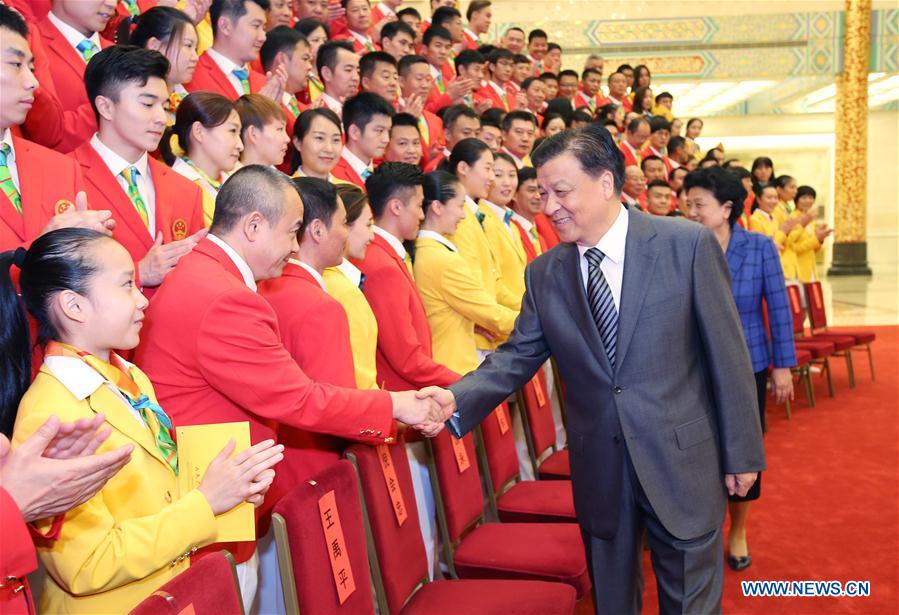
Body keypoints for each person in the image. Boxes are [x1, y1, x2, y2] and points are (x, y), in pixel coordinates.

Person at [427, 123, 764, 614]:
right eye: (541, 193)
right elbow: (516, 356)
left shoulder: (684, 245)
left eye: (561, 191)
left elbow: (728, 356)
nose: (549, 206)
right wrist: (455, 398)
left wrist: (742, 453)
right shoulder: (546, 272)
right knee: (612, 602)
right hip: (602, 470)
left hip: (682, 462)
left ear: (606, 182)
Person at [135, 165, 445, 598]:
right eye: (291, 231)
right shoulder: (225, 296)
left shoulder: (206, 274)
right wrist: (396, 406)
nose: (294, 246)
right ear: (254, 225)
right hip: (212, 496)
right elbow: (299, 399)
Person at [5, 228, 284, 613]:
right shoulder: (51, 413)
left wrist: (227, 492)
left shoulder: (129, 375)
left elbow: (160, 488)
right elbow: (86, 565)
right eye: (126, 286)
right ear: (74, 306)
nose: (142, 300)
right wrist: (205, 503)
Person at [684, 165, 796, 571]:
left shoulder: (760, 247)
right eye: (688, 203)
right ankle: (699, 530)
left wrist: (783, 365)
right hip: (691, 366)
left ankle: (738, 530)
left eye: (699, 204)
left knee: (742, 449)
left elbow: (778, 307)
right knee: (694, 450)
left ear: (727, 208)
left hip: (747, 363)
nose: (690, 210)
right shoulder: (679, 245)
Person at [74, 45, 207, 292]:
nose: (162, 118)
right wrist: (139, 272)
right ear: (105, 107)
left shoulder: (186, 190)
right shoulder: (66, 176)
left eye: (165, 106)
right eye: (148, 104)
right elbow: (57, 277)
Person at [258, 177, 356, 486]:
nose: (347, 233)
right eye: (344, 222)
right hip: (313, 468)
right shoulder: (319, 306)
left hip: (274, 465)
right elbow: (337, 409)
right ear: (316, 229)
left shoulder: (266, 286)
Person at [0, 5, 115, 252]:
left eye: (31, 68)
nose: (33, 82)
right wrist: (41, 249)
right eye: (16, 64)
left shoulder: (61, 169)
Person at [353, 162, 460, 390]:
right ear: (396, 207)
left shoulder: (385, 255)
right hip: (401, 392)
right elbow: (406, 358)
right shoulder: (382, 266)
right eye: (420, 206)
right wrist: (464, 382)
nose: (422, 215)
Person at [414, 169, 517, 374]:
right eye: (460, 206)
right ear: (437, 207)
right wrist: (540, 322)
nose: (463, 215)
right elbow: (491, 314)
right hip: (454, 367)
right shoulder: (442, 259)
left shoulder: (424, 251)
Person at [25, 0, 115, 152]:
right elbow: (48, 132)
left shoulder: (122, 53)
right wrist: (118, 105)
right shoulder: (27, 45)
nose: (112, 4)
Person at [322, 184, 379, 390]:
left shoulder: (332, 281)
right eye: (368, 225)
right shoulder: (341, 290)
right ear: (345, 226)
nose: (372, 236)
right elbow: (359, 376)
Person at [187, 0, 285, 101]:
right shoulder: (191, 76)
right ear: (225, 26)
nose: (263, 37)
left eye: (264, 28)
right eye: (256, 26)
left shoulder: (264, 83)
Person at [171, 91, 243, 225]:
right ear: (199, 132)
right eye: (232, 131)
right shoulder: (176, 188)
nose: (240, 145)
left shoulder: (236, 182)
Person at [129, 6, 201, 123]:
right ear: (155, 46)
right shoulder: (133, 96)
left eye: (195, 48)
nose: (195, 57)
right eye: (188, 45)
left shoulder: (186, 100)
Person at [480, 152, 526, 310]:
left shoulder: (511, 223)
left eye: (512, 175)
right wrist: (527, 309)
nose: (507, 183)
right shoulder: (481, 220)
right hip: (503, 317)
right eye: (498, 175)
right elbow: (492, 280)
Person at [258, 25, 312, 154]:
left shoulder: (304, 108)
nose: (309, 66)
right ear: (282, 59)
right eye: (305, 59)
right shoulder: (259, 99)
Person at [331, 91, 394, 188]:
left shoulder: (384, 174)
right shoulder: (331, 173)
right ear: (354, 132)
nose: (386, 139)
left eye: (388, 131)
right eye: (379, 130)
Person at [397, 54, 445, 165]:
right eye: (419, 79)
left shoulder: (435, 120)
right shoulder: (390, 114)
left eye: (428, 79)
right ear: (401, 81)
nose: (424, 85)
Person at [782, 185, 831, 282]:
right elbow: (791, 248)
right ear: (796, 199)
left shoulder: (811, 220)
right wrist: (815, 239)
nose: (808, 201)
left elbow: (813, 250)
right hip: (797, 268)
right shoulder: (792, 218)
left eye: (811, 198)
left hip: (811, 268)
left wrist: (820, 239)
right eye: (804, 198)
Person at [234, 93, 290, 167]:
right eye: (280, 129)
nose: (287, 139)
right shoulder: (232, 178)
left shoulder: (283, 178)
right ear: (253, 134)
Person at [289, 107, 343, 180]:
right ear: (298, 143)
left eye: (336, 140)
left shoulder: (351, 190)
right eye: (319, 138)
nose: (329, 149)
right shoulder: (284, 189)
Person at [423, 104, 479, 172]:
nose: (474, 138)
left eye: (477, 133)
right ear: (447, 134)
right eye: (466, 133)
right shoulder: (437, 168)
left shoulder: (478, 163)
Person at [510, 166, 549, 260]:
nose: (538, 196)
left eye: (541, 191)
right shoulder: (509, 229)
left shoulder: (539, 237)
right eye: (531, 190)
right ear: (514, 194)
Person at [475, 47, 516, 112]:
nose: (508, 69)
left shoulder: (511, 96)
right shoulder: (483, 93)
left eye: (511, 65)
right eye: (504, 64)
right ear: (492, 67)